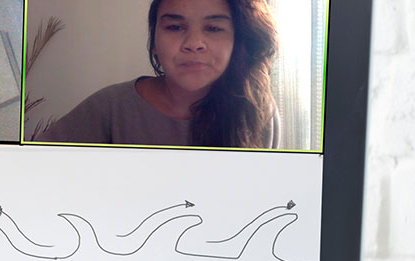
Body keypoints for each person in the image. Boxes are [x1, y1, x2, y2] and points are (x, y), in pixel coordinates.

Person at [35, 0, 279, 149]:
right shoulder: (110, 108)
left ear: (237, 41)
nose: (194, 43)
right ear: (154, 42)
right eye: (175, 27)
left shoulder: (257, 110)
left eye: (214, 28)